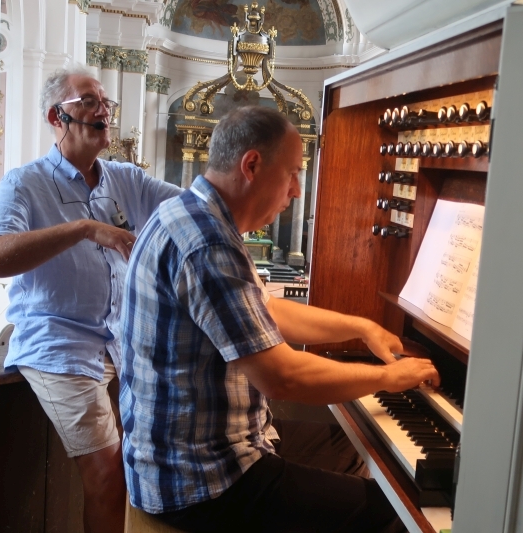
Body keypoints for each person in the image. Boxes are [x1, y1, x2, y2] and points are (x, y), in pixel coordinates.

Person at [120, 105, 440, 532]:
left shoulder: (192, 214)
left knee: (352, 450)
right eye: (292, 173)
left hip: (189, 453)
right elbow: (282, 378)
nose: (296, 191)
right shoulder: (208, 243)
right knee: (398, 516)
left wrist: (362, 328)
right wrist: (388, 378)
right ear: (251, 165)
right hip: (201, 480)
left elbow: (266, 310)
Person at [0, 65, 182, 533]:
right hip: (59, 344)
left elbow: (189, 207)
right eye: (88, 101)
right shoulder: (23, 184)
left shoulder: (125, 179)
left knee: (154, 461)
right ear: (57, 116)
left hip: (122, 344)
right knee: (108, 475)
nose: (103, 110)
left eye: (105, 102)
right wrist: (85, 229)